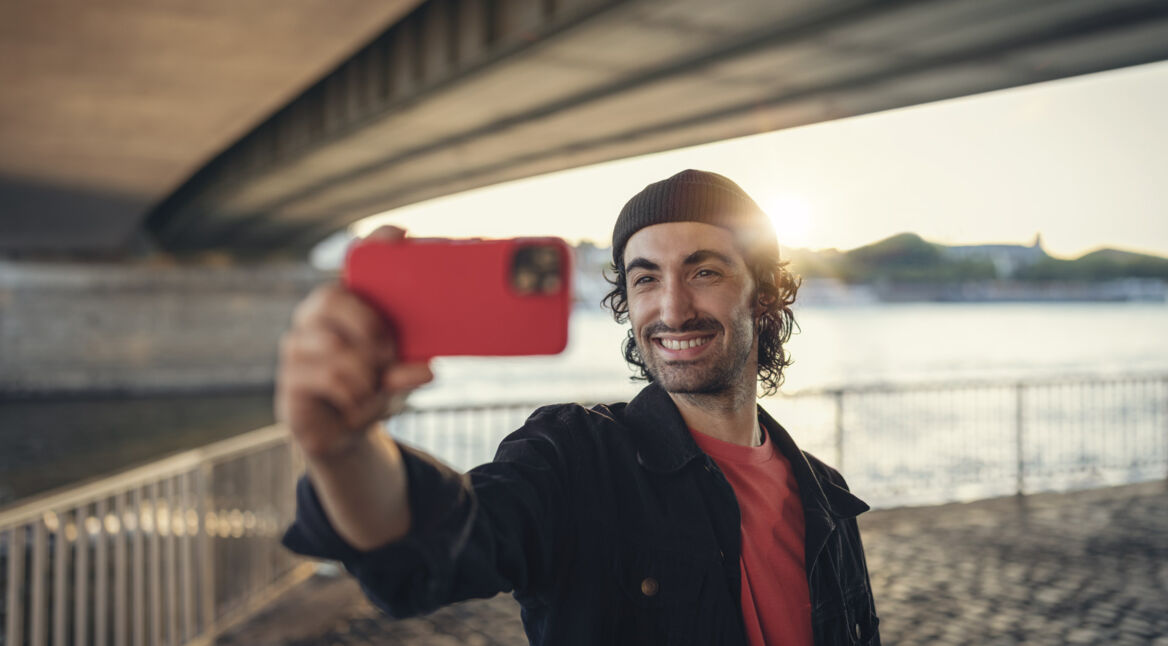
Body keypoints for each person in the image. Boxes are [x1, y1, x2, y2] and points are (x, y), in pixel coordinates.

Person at [279, 169, 880, 646]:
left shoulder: (828, 499)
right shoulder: (574, 456)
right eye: (644, 279)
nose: (672, 309)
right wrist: (346, 448)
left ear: (764, 295)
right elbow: (434, 547)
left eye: (704, 271)